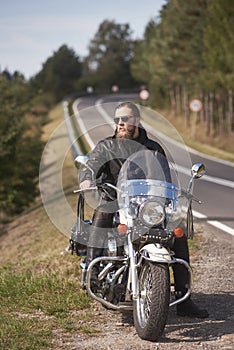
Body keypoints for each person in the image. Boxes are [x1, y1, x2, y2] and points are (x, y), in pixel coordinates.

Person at [79, 101, 209, 318]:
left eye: (125, 119)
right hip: (115, 200)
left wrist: (171, 199)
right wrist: (86, 179)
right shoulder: (106, 146)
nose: (120, 123)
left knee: (178, 231)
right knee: (101, 211)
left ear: (136, 122)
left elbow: (165, 180)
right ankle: (92, 273)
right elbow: (91, 167)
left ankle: (184, 300)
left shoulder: (153, 149)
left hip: (147, 205)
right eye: (117, 120)